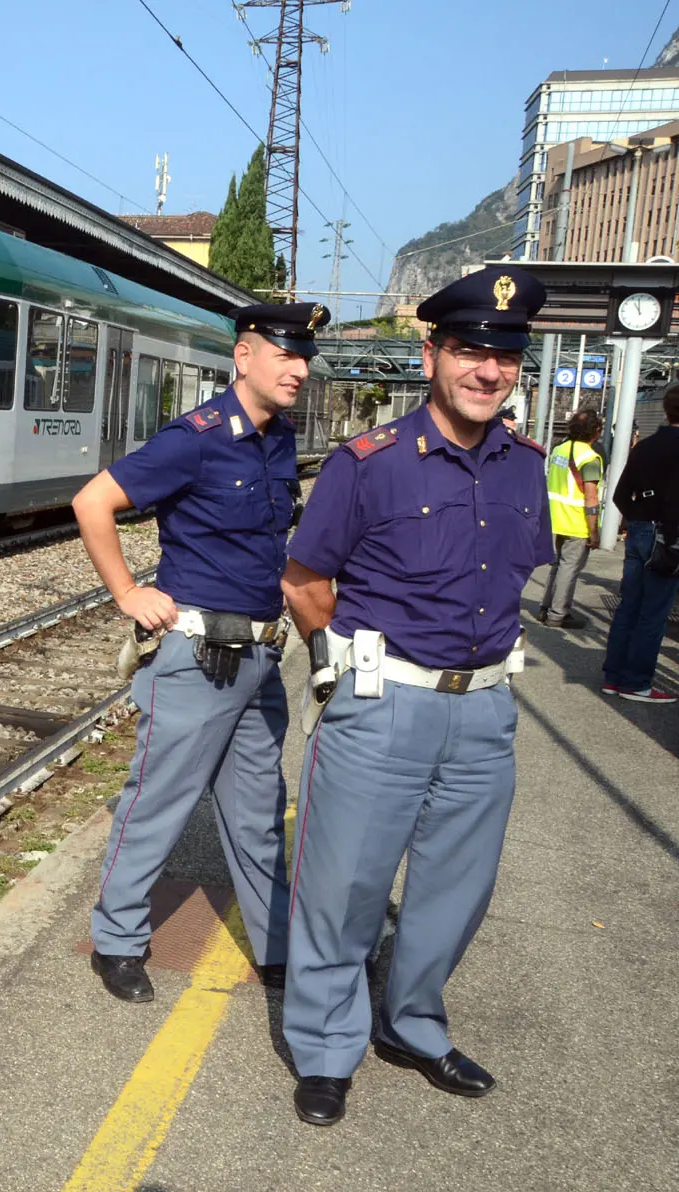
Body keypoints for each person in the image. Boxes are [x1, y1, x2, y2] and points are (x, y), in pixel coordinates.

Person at [280, 266, 554, 1128]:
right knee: (344, 888)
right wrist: (342, 673)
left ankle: (412, 1024)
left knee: (454, 890)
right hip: (382, 703)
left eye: (506, 355)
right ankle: (327, 1048)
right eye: (472, 349)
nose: (489, 370)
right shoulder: (370, 466)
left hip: (484, 712)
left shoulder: (527, 468)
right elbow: (304, 580)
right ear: (431, 353)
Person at [70, 301, 324, 1003]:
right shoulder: (197, 438)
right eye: (284, 355)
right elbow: (92, 502)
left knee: (256, 813)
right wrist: (126, 592)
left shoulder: (279, 439)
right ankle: (117, 941)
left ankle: (274, 945)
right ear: (245, 356)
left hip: (259, 661)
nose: (299, 369)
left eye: (304, 357)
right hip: (195, 661)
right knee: (156, 807)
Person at [600, 384, 679, 703]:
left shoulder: (644, 447)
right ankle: (637, 683)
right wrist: (670, 537)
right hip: (669, 537)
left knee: (629, 607)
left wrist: (639, 520)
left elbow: (619, 495)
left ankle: (614, 677)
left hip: (640, 532)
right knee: (654, 613)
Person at [536, 409, 604, 630]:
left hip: (557, 518)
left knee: (558, 565)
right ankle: (558, 614)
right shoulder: (590, 458)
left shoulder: (559, 450)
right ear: (596, 431)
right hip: (576, 522)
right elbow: (591, 497)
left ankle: (545, 608)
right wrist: (594, 532)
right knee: (569, 568)